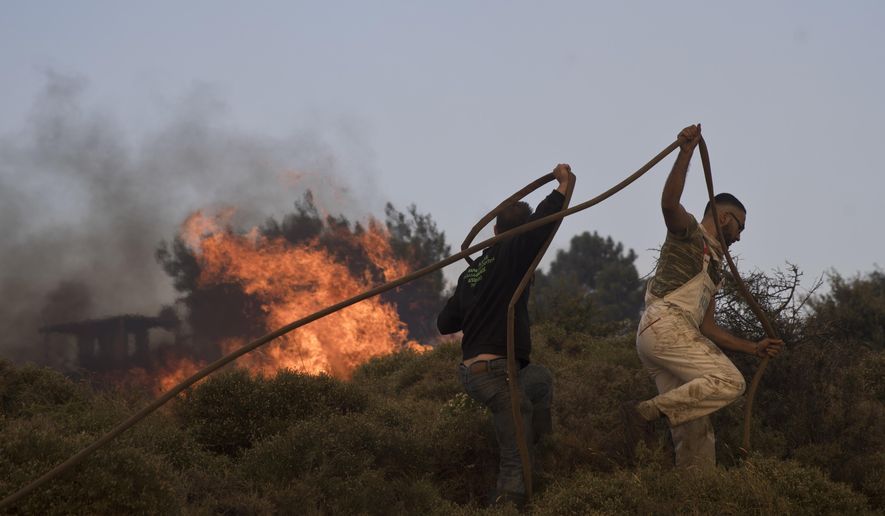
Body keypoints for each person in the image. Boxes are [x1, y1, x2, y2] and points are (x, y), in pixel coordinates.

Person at [623, 124, 783, 469]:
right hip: (665, 324)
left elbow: (708, 329)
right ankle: (646, 412)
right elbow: (668, 203)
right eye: (739, 226)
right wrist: (685, 153)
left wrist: (753, 348)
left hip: (671, 336)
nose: (740, 236)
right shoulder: (689, 234)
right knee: (729, 381)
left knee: (696, 431)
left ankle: (695, 497)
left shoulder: (717, 270)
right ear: (724, 218)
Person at [437, 164, 572, 508]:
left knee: (539, 381)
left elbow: (444, 324)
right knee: (515, 462)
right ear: (519, 231)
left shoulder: (472, 274)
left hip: (473, 374)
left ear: (494, 228)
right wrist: (564, 183)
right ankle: (511, 499)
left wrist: (474, 300)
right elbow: (546, 218)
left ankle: (543, 453)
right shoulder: (516, 252)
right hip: (496, 374)